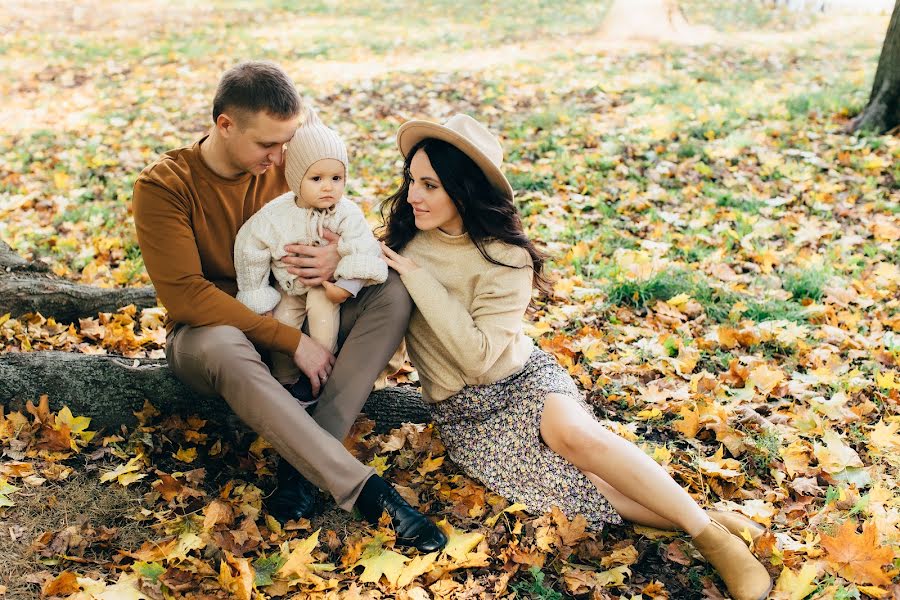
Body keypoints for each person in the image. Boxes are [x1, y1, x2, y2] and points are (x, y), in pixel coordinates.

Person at [378, 114, 772, 599]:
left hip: (521, 380)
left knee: (575, 436)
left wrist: (418, 279)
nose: (414, 195)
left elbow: (479, 358)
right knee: (588, 490)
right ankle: (706, 518)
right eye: (412, 180)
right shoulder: (403, 242)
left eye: (430, 185)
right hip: (466, 416)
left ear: (464, 189)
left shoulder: (506, 258)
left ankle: (713, 542)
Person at [131, 60, 446, 552]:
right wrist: (290, 341)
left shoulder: (289, 159)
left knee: (391, 290)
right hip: (215, 333)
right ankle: (364, 490)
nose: (280, 157)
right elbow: (186, 295)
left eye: (286, 142)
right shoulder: (165, 186)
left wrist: (335, 259)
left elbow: (345, 222)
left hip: (303, 304)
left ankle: (301, 468)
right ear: (224, 125)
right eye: (267, 145)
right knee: (221, 343)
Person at [234, 123, 387, 387]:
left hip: (326, 286)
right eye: (316, 179)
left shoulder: (346, 213)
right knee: (283, 326)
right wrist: (258, 297)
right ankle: (285, 381)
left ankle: (321, 374)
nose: (328, 187)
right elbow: (250, 247)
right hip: (288, 286)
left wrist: (347, 286)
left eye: (336, 178)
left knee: (324, 319)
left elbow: (363, 246)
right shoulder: (276, 215)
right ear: (295, 179)